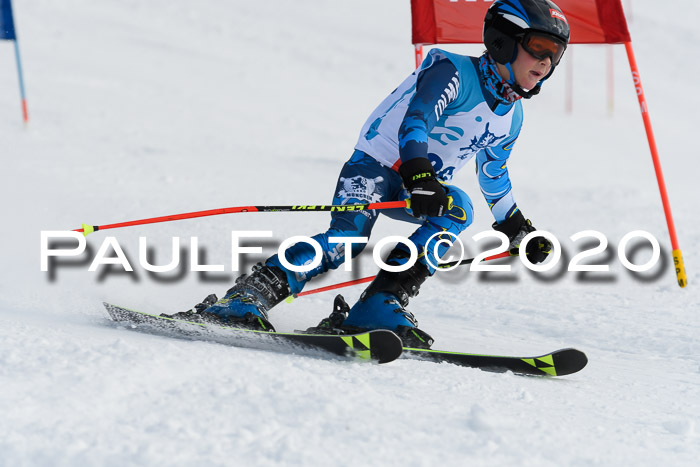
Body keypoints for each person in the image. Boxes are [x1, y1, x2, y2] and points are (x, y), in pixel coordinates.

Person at [167, 0, 568, 348]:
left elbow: (493, 172)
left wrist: (516, 226)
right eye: (539, 48)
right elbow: (416, 123)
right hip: (375, 168)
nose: (547, 63)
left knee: (458, 207)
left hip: (418, 186)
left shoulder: (511, 117)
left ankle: (379, 303)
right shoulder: (453, 72)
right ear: (504, 39)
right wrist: (419, 174)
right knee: (348, 238)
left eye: (556, 54)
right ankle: (248, 295)